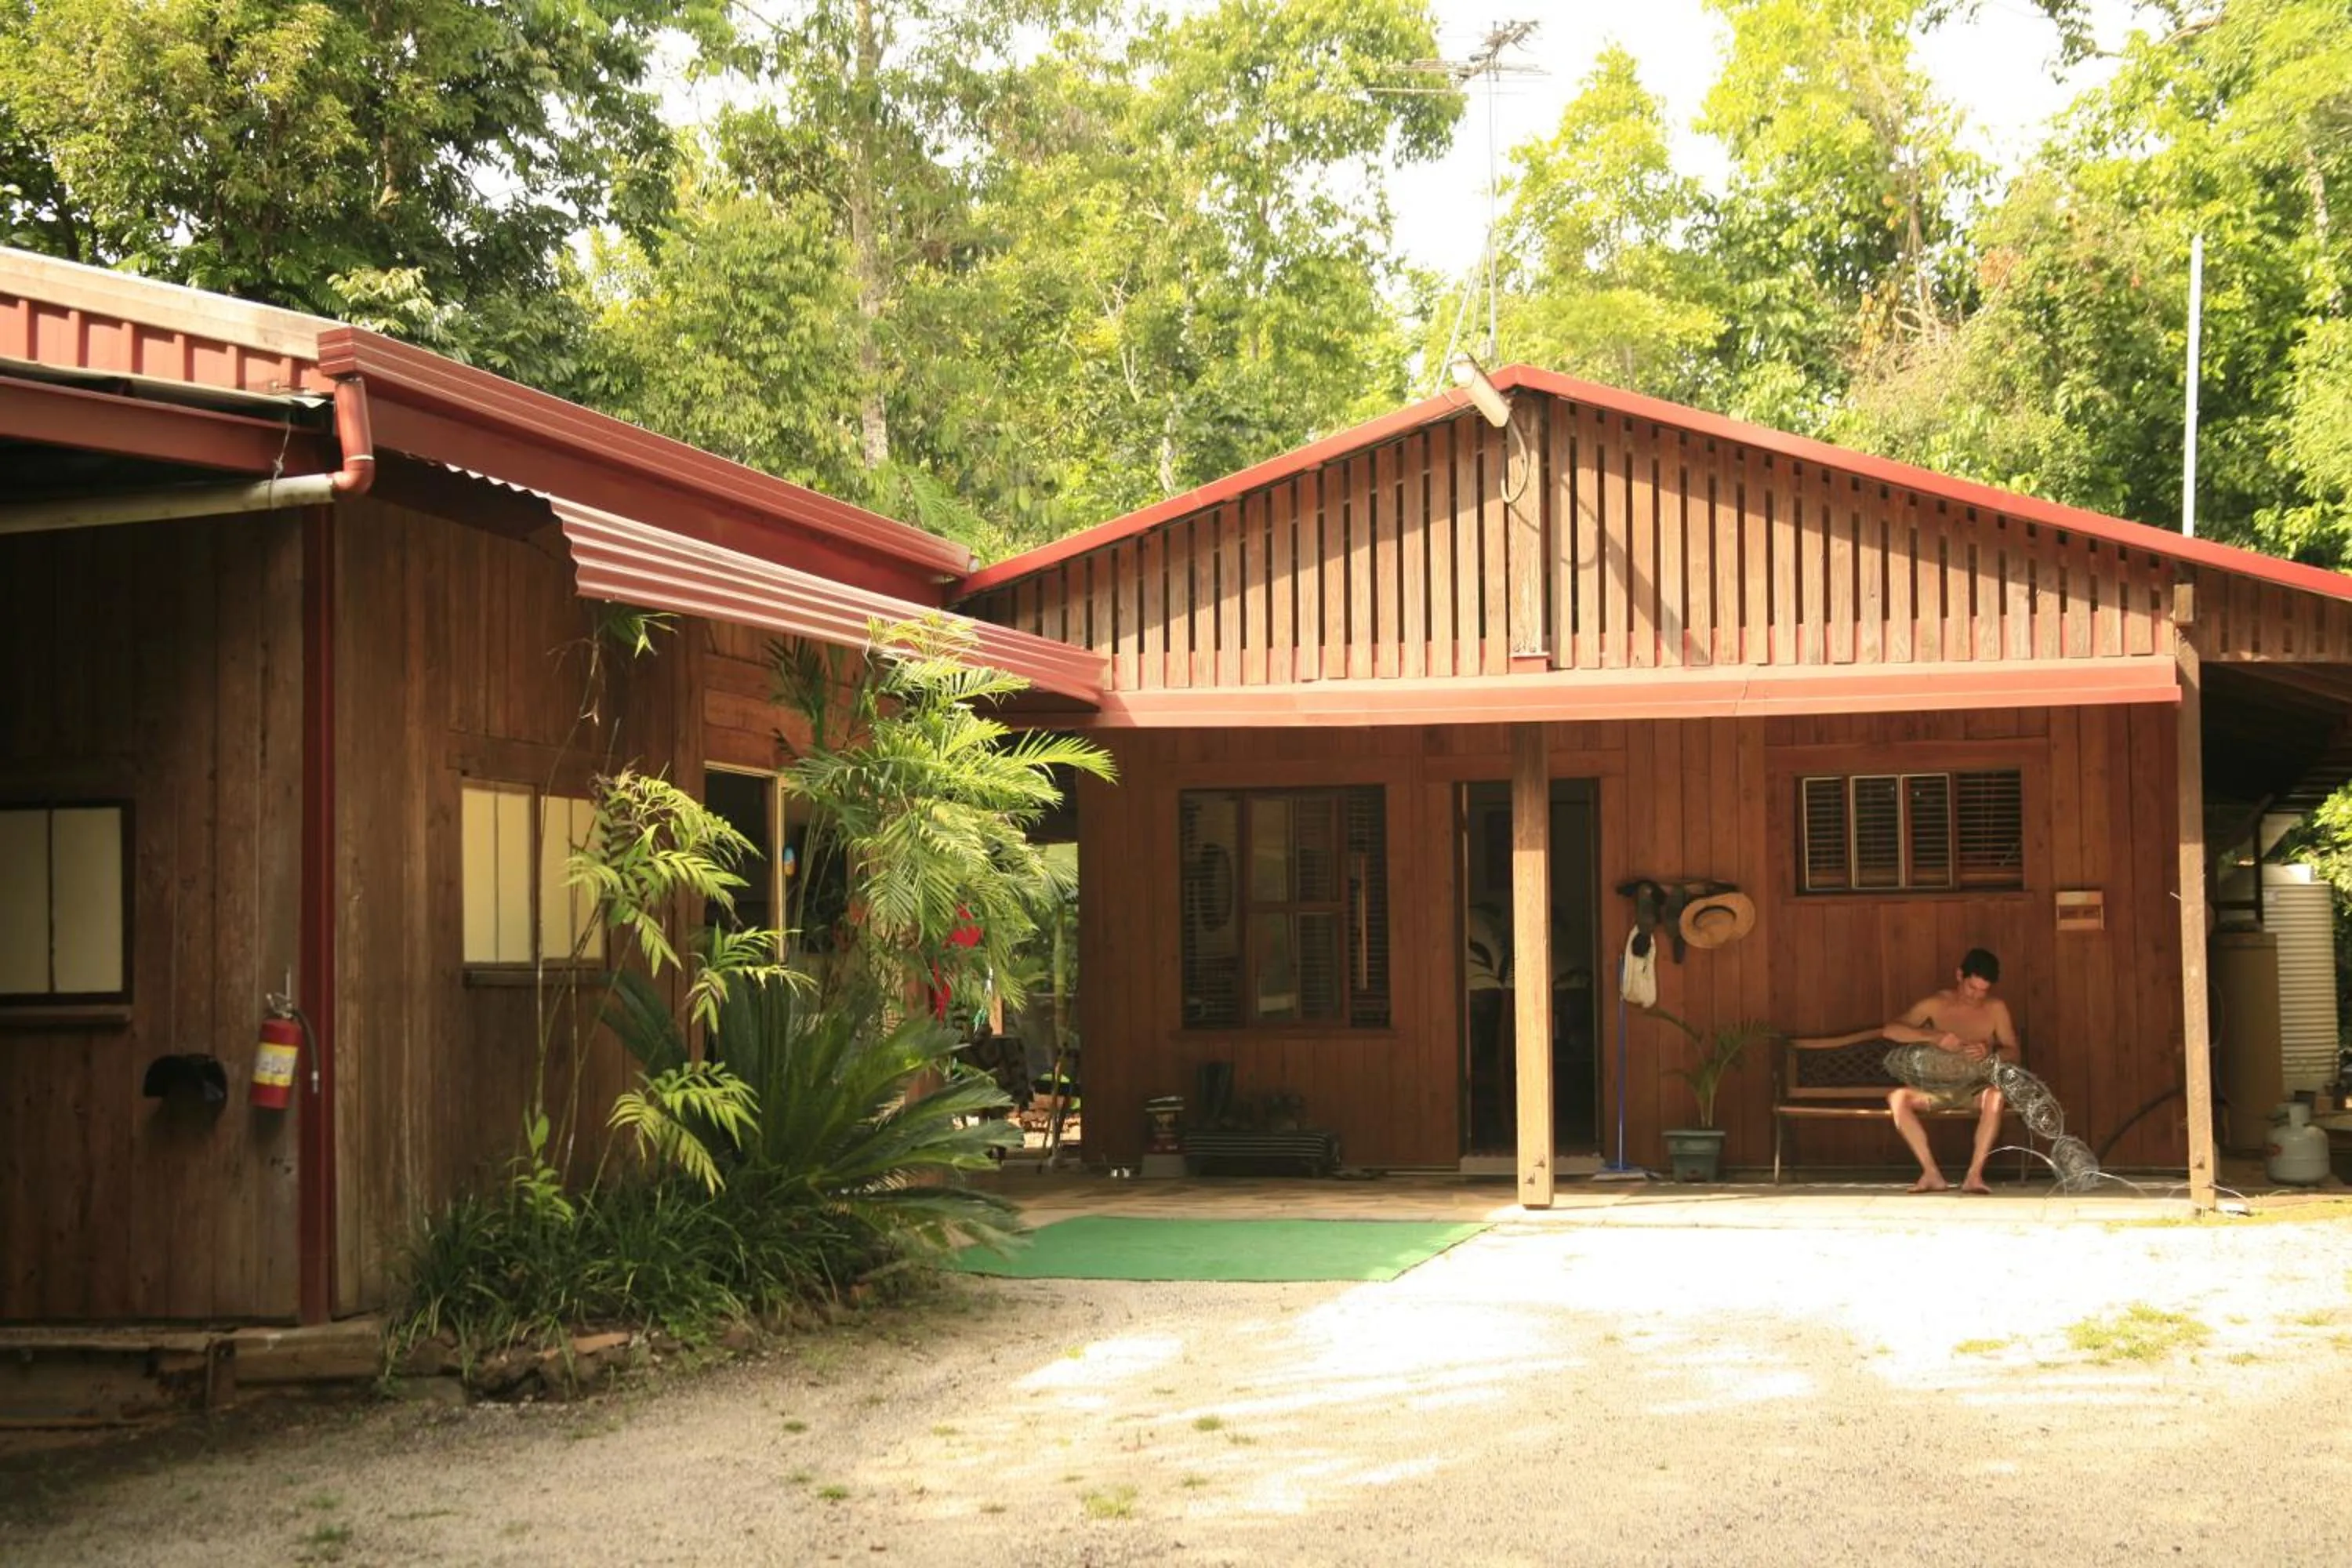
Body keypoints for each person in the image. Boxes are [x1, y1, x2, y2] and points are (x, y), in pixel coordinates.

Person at [1882, 948, 2016, 1193]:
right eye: (1971, 988)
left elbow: (2013, 1052)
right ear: (1959, 975)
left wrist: (1990, 1051)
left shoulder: (1996, 1009)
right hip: (1934, 1088)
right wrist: (1933, 1036)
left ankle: (1974, 1175)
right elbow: (1891, 1030)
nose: (1976, 996)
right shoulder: (1936, 1004)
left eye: (1983, 991)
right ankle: (1931, 1173)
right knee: (1898, 1098)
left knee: (1995, 1097)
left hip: (1973, 1088)